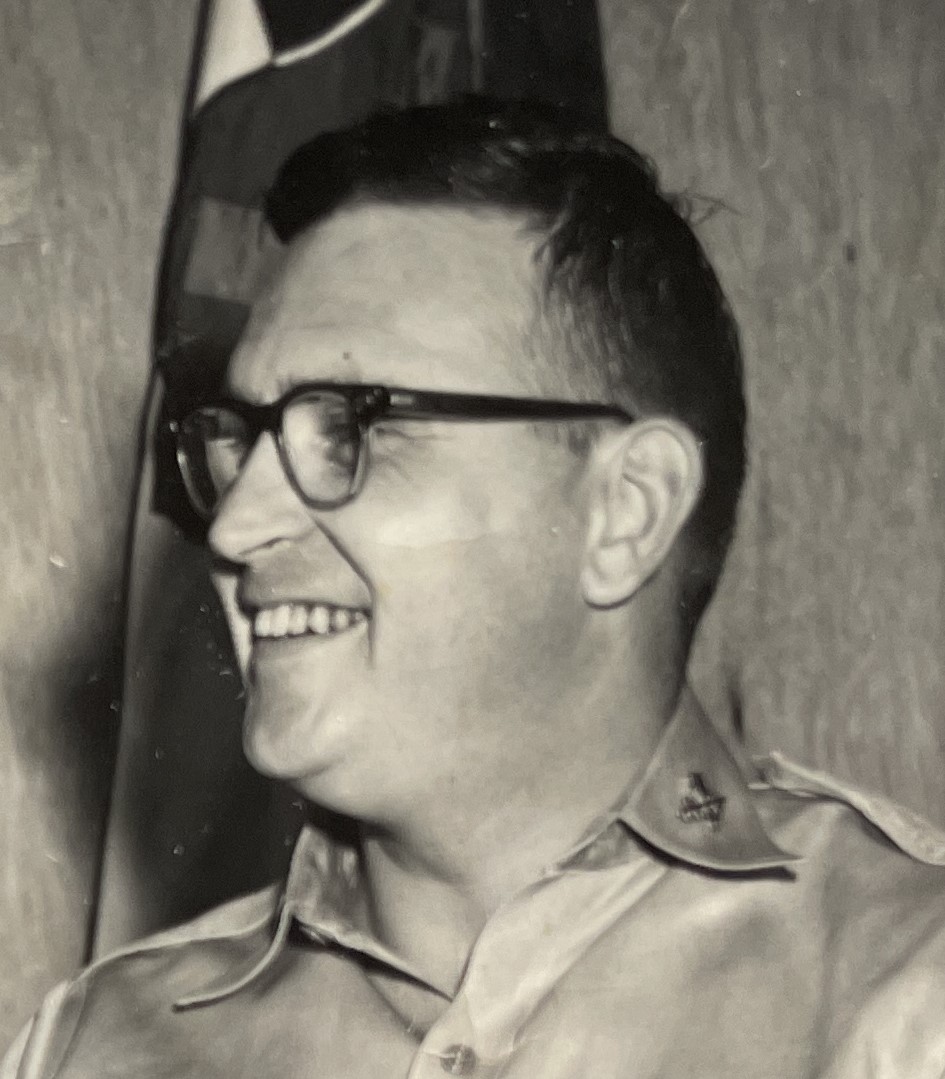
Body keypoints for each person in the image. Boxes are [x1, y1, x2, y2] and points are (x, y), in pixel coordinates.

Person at [5, 97, 945, 1079]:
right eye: (244, 436)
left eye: (353, 425)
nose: (235, 526)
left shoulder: (903, 1002)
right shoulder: (91, 1045)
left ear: (624, 511)